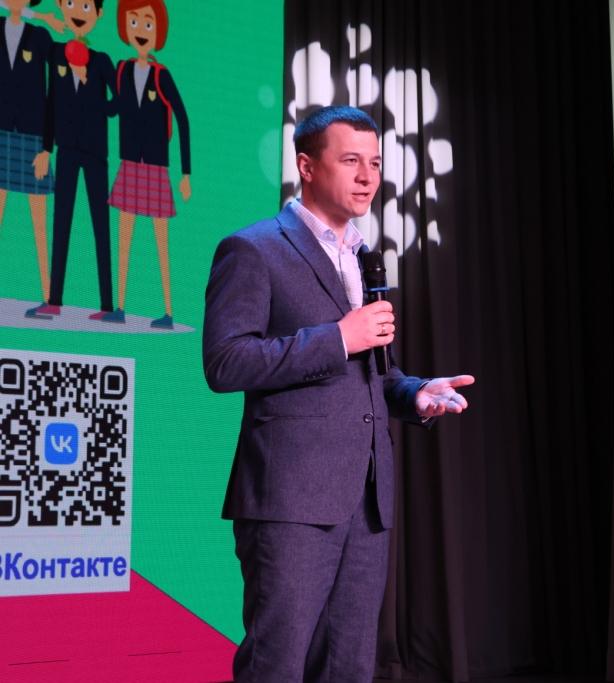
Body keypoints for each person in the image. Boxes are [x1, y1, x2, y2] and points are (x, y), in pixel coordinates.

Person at [203, 105, 475, 683]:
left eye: (374, 162)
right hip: (290, 500)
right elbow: (226, 362)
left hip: (367, 500)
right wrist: (337, 338)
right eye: (351, 160)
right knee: (277, 664)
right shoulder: (253, 250)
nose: (368, 176)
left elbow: (372, 372)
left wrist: (416, 393)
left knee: (349, 666)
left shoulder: (362, 256)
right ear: (306, 166)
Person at [26, 0, 116, 321]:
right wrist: (46, 149)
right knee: (61, 222)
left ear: (99, 14)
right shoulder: (55, 53)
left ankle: (107, 305)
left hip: (95, 154)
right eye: (71, 3)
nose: (78, 11)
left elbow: (118, 104)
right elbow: (50, 103)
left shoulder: (102, 61)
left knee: (100, 226)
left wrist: (91, 88)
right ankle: (54, 300)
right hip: (65, 150)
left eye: (86, 5)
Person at [104, 0, 190, 329]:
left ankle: (168, 311)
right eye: (135, 22)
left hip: (156, 167)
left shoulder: (161, 75)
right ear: (125, 27)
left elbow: (182, 118)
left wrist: (185, 173)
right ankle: (120, 307)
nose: (141, 30)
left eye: (148, 24)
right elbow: (114, 109)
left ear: (159, 32)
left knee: (160, 242)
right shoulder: (122, 70)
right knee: (123, 238)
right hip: (129, 162)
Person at [0, 0, 61, 305]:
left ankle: (48, 296)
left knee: (40, 223)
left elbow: (54, 94)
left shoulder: (40, 37)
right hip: (1, 133)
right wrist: (37, 14)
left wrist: (47, 148)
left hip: (33, 136)